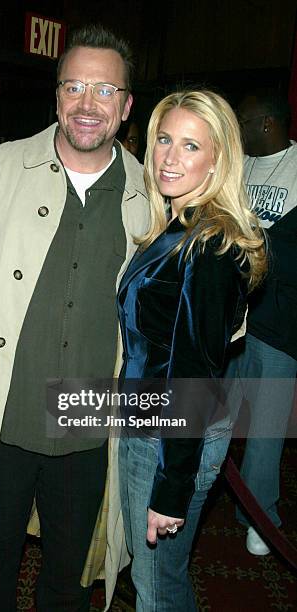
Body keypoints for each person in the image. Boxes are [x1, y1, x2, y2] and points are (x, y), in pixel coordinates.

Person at [0, 24, 149, 612]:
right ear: (56, 96)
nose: (87, 104)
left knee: (68, 583)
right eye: (73, 86)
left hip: (90, 429)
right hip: (4, 415)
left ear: (126, 106)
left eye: (104, 91)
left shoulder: (152, 192)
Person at [117, 90, 267, 611]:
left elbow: (194, 377)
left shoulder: (209, 246)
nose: (169, 157)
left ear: (218, 160)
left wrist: (171, 486)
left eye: (190, 146)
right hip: (155, 422)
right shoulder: (180, 228)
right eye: (163, 140)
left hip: (170, 435)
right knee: (158, 578)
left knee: (157, 590)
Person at [226, 89, 297, 555]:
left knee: (267, 431)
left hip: (278, 324)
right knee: (216, 415)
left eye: (246, 123)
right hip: (234, 321)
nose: (241, 132)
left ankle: (261, 519)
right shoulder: (245, 166)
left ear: (268, 124)